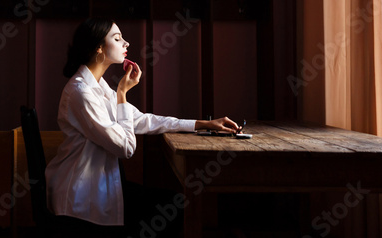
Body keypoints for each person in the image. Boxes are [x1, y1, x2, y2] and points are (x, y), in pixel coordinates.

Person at [45, 17, 240, 236]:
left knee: (176, 203)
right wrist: (122, 93)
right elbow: (126, 148)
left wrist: (202, 124)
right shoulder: (81, 93)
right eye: (117, 39)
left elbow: (140, 120)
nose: (126, 43)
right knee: (175, 207)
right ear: (99, 48)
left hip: (101, 185)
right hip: (84, 194)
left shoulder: (97, 86)